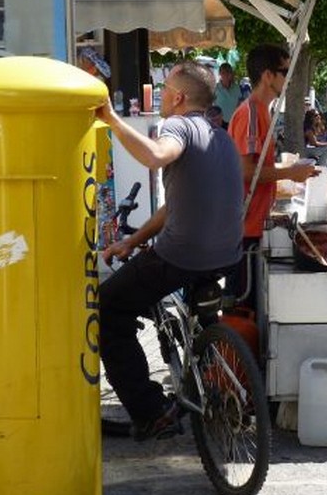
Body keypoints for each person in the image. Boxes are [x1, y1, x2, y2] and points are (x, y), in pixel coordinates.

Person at [94, 60, 244, 440]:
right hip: (227, 253)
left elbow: (156, 156)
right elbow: (173, 206)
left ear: (178, 97)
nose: (161, 98)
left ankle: (150, 410)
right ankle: (203, 374)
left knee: (109, 304)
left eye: (164, 92)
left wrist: (111, 119)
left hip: (183, 255)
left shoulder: (177, 125)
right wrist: (133, 240)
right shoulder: (220, 136)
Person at [228, 43, 318, 299]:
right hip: (247, 229)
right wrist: (289, 172)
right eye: (285, 72)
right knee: (244, 308)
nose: (289, 79)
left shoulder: (262, 112)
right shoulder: (251, 114)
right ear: (268, 75)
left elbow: (259, 168)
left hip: (256, 224)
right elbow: (247, 172)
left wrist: (292, 170)